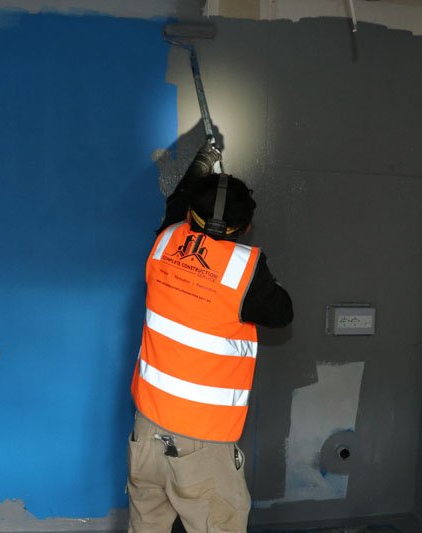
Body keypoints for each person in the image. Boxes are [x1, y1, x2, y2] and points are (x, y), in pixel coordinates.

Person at [127, 141, 293, 533]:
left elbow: (177, 200)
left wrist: (203, 161)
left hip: (147, 429)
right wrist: (262, 273)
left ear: (189, 216)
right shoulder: (247, 271)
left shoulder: (166, 240)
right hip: (202, 444)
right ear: (245, 228)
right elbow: (283, 312)